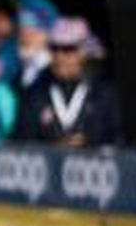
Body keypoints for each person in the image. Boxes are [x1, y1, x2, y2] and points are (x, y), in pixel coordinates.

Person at [13, 19, 121, 148]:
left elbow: (118, 138)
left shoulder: (104, 93)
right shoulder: (35, 92)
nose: (59, 56)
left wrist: (89, 144)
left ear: (84, 53)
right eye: (54, 48)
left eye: (68, 49)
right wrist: (54, 149)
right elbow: (21, 141)